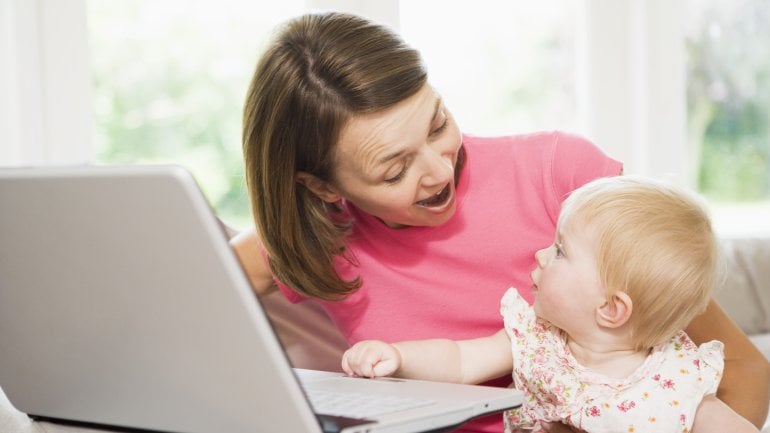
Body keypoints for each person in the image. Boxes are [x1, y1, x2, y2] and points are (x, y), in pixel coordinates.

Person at [231, 11, 770, 433]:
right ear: (323, 187)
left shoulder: (563, 176)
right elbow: (181, 304)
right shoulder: (309, 241)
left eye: (438, 123)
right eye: (395, 170)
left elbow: (745, 374)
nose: (441, 168)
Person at [341, 176, 758, 433]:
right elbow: (459, 361)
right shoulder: (536, 340)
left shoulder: (678, 382)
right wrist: (395, 357)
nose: (540, 254)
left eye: (560, 251)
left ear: (611, 308)